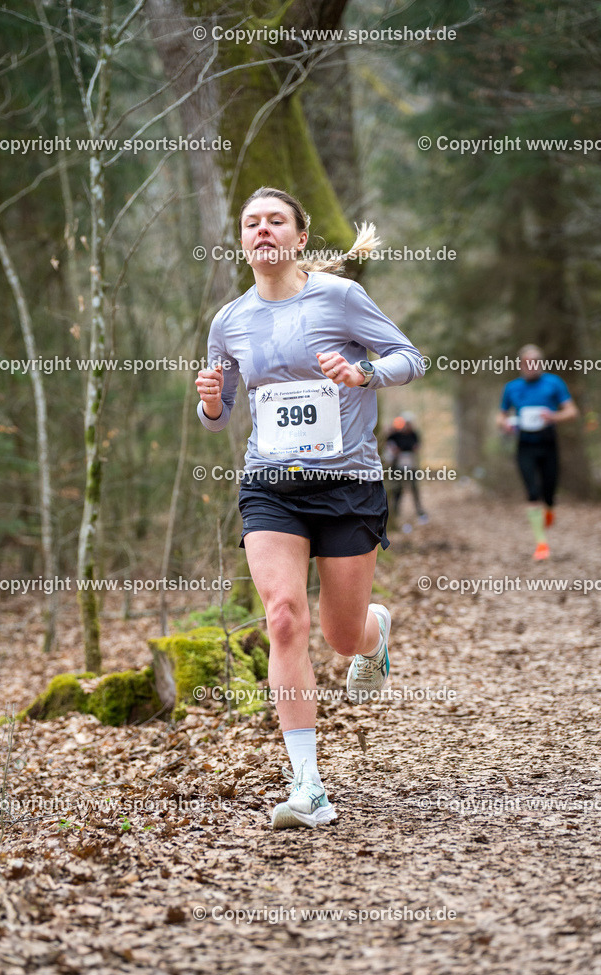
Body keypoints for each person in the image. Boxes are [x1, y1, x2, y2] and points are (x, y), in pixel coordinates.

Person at [195, 186, 425, 830]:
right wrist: (210, 401)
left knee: (341, 636)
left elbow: (411, 359)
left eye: (276, 221)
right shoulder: (229, 321)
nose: (263, 230)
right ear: (242, 241)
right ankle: (307, 785)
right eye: (252, 223)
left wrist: (363, 374)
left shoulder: (339, 297)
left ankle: (373, 634)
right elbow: (219, 416)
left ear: (299, 238)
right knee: (284, 618)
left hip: (348, 484)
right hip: (270, 486)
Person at [497, 344, 579, 560]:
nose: (531, 366)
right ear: (520, 365)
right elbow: (501, 416)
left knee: (549, 493)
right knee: (532, 492)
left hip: (548, 443)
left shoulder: (554, 383)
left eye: (535, 362)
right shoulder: (512, 388)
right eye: (526, 363)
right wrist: (505, 424)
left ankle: (549, 508)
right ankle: (541, 544)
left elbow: (572, 412)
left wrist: (553, 417)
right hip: (525, 445)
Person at [384, 413, 428, 526]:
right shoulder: (395, 434)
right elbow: (388, 443)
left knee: (414, 488)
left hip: (411, 465)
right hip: (397, 466)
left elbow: (417, 446)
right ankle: (395, 512)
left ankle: (419, 511)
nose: (408, 426)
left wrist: (415, 448)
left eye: (409, 424)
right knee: (397, 489)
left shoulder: (414, 434)